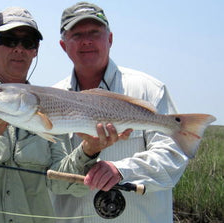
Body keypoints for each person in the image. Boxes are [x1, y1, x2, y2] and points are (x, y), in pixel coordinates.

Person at [0, 7, 128, 223]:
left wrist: (89, 151)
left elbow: (61, 183)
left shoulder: (52, 103)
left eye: (28, 42)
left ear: (35, 50)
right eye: (8, 39)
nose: (19, 49)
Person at [52, 2, 189, 223]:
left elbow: (173, 157)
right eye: (77, 34)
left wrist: (122, 170)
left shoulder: (149, 90)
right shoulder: (51, 98)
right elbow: (50, 172)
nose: (86, 40)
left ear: (110, 39)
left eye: (95, 32)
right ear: (63, 45)